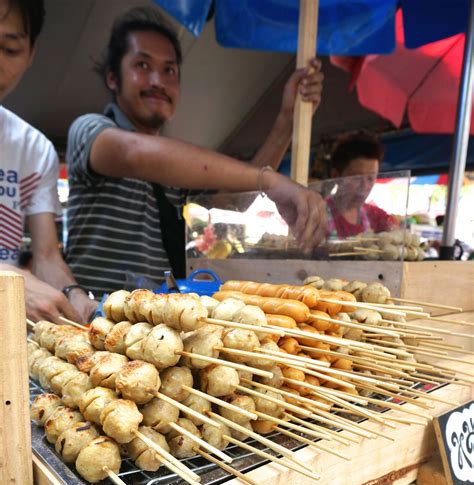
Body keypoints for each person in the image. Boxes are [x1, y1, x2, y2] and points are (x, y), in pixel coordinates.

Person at [65, 6, 326, 297]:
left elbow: (233, 201)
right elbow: (135, 154)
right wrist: (271, 181)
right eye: (142, 65)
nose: (158, 81)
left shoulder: (175, 164)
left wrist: (286, 121)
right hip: (90, 324)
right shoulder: (89, 130)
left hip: (155, 327)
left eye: (169, 70)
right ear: (113, 77)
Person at [0, 0, 97, 323]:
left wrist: (75, 294)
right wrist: (8, 280)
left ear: (31, 54)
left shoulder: (34, 149)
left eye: (10, 49)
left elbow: (45, 256)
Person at [325, 129, 397, 240]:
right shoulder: (318, 216)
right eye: (356, 178)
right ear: (336, 176)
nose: (364, 186)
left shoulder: (378, 219)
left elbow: (397, 234)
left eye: (370, 178)